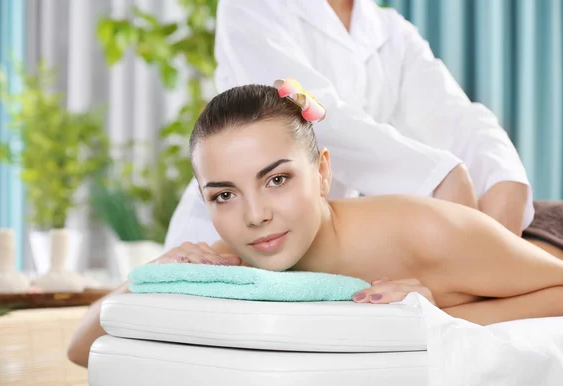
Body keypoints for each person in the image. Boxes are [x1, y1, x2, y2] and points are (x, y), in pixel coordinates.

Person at [67, 84, 563, 368]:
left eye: (277, 179)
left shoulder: (424, 230)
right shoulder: (229, 259)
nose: (255, 214)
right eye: (224, 194)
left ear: (323, 172)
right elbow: (80, 350)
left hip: (543, 236)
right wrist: (155, 274)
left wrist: (434, 320)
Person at [162, 0, 534, 254]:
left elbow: (459, 117)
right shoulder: (254, 6)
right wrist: (442, 177)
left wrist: (504, 178)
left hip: (322, 246)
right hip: (229, 238)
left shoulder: (389, 31)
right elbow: (305, 115)